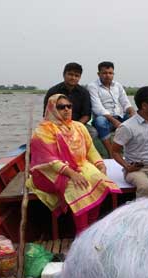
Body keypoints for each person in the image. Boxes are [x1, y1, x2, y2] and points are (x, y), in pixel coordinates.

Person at [29, 94, 121, 234]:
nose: (66, 110)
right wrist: (72, 174)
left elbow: (90, 149)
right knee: (78, 187)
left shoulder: (78, 126)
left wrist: (100, 164)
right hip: (51, 171)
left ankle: (92, 225)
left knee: (102, 181)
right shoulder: (42, 131)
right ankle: (81, 233)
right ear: (52, 109)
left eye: (69, 106)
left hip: (80, 165)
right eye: (61, 107)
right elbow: (50, 161)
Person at [87, 61, 136, 158]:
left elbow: (125, 102)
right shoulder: (92, 86)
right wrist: (114, 121)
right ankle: (111, 153)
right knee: (100, 121)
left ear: (113, 74)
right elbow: (97, 108)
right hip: (105, 119)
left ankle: (134, 151)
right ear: (99, 74)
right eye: (104, 73)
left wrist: (132, 112)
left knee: (137, 118)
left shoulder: (117, 85)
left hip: (119, 117)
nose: (107, 75)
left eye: (110, 73)